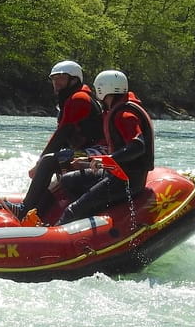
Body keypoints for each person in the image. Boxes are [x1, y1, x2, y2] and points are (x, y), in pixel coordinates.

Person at [0, 60, 104, 220]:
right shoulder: (69, 100)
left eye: (61, 78)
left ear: (74, 80)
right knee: (53, 170)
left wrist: (40, 162)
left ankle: (24, 209)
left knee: (49, 162)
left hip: (98, 153)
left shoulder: (79, 99)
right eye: (54, 79)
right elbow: (62, 135)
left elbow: (61, 135)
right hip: (84, 151)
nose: (56, 83)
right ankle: (35, 215)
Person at [53, 69, 154, 225]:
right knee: (68, 181)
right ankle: (91, 213)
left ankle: (73, 222)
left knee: (72, 210)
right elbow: (120, 152)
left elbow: (137, 146)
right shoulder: (119, 109)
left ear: (103, 89)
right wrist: (89, 160)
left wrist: (105, 161)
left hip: (126, 180)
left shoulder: (124, 115)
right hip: (116, 173)